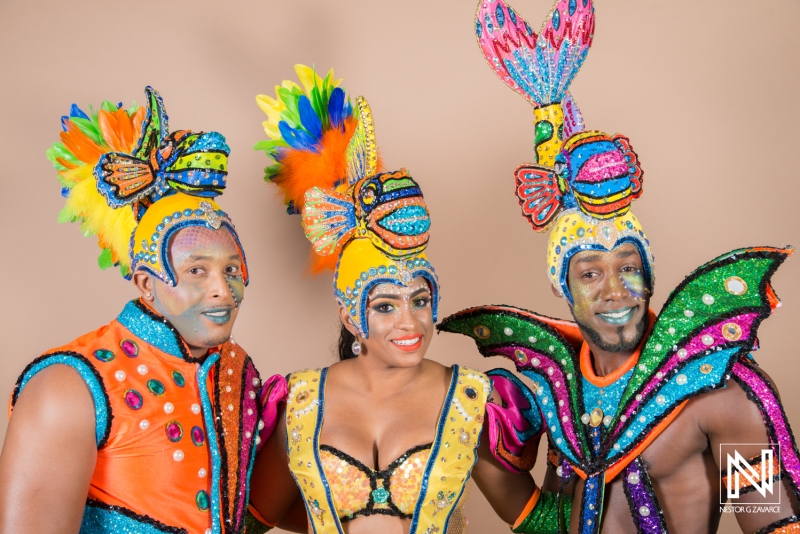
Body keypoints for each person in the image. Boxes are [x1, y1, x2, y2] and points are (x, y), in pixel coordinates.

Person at [437, 1, 799, 533]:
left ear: (650, 275)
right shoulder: (546, 389)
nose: (616, 289)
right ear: (564, 288)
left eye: (630, 267)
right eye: (589, 273)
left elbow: (775, 523)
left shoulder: (722, 393)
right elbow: (531, 507)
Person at [245, 65, 548, 534]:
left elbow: (538, 520)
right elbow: (248, 519)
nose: (410, 323)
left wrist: (605, 467)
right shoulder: (299, 404)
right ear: (350, 314)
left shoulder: (471, 401)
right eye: (385, 305)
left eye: (420, 300)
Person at [0, 87, 272, 534]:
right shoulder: (68, 385)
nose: (223, 290)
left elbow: (242, 519)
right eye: (197, 271)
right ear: (146, 283)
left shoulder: (236, 371)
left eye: (233, 269)